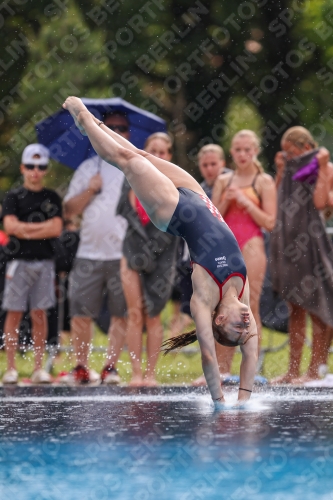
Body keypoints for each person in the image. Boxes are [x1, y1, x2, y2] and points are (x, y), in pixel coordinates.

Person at [62, 96, 258, 404]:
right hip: (197, 196)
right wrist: (244, 399)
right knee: (138, 152)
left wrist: (220, 402)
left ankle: (86, 121)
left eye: (238, 326)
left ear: (220, 321)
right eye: (246, 327)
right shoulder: (243, 299)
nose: (246, 322)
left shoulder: (205, 300)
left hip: (173, 212)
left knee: (129, 161)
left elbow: (208, 356)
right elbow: (250, 356)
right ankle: (97, 126)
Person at [62, 111, 129, 384]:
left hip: (123, 256)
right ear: (97, 132)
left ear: (128, 133)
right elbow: (67, 210)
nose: (115, 131)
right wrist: (90, 190)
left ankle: (110, 368)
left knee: (120, 314)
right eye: (108, 127)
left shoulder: (133, 167)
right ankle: (81, 367)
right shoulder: (88, 168)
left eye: (121, 127)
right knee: (80, 314)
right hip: (88, 253)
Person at [270, 126, 333, 384]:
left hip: (315, 246)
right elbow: (276, 201)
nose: (290, 157)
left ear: (307, 148)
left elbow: (321, 203)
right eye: (286, 153)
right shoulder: (289, 169)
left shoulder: (325, 167)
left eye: (293, 153)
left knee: (319, 306)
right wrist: (281, 171)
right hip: (290, 245)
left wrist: (322, 167)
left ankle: (314, 369)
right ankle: (293, 370)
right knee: (294, 307)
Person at [212, 130, 277, 378]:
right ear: (231, 152)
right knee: (222, 308)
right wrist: (228, 201)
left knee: (251, 307)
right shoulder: (223, 181)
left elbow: (270, 222)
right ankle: (222, 370)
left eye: (247, 150)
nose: (242, 154)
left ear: (255, 151)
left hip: (252, 245)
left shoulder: (263, 181)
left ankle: (250, 368)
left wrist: (246, 201)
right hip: (227, 247)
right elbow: (213, 219)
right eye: (238, 150)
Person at [117, 132, 178, 386]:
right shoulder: (130, 177)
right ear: (145, 151)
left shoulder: (174, 181)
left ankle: (151, 374)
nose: (158, 155)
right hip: (131, 251)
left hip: (163, 255)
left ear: (169, 155)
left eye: (163, 152)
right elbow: (124, 211)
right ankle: (136, 373)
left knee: (153, 314)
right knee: (134, 314)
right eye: (153, 150)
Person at [1, 144, 62, 384]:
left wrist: (24, 229)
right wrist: (41, 229)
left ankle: (38, 367)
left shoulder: (52, 197)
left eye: (40, 166)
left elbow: (56, 228)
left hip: (44, 262)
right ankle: (11, 367)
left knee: (39, 314)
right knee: (14, 312)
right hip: (18, 263)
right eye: (30, 166)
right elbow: (9, 227)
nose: (35, 171)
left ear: (45, 169)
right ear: (23, 168)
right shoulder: (13, 197)